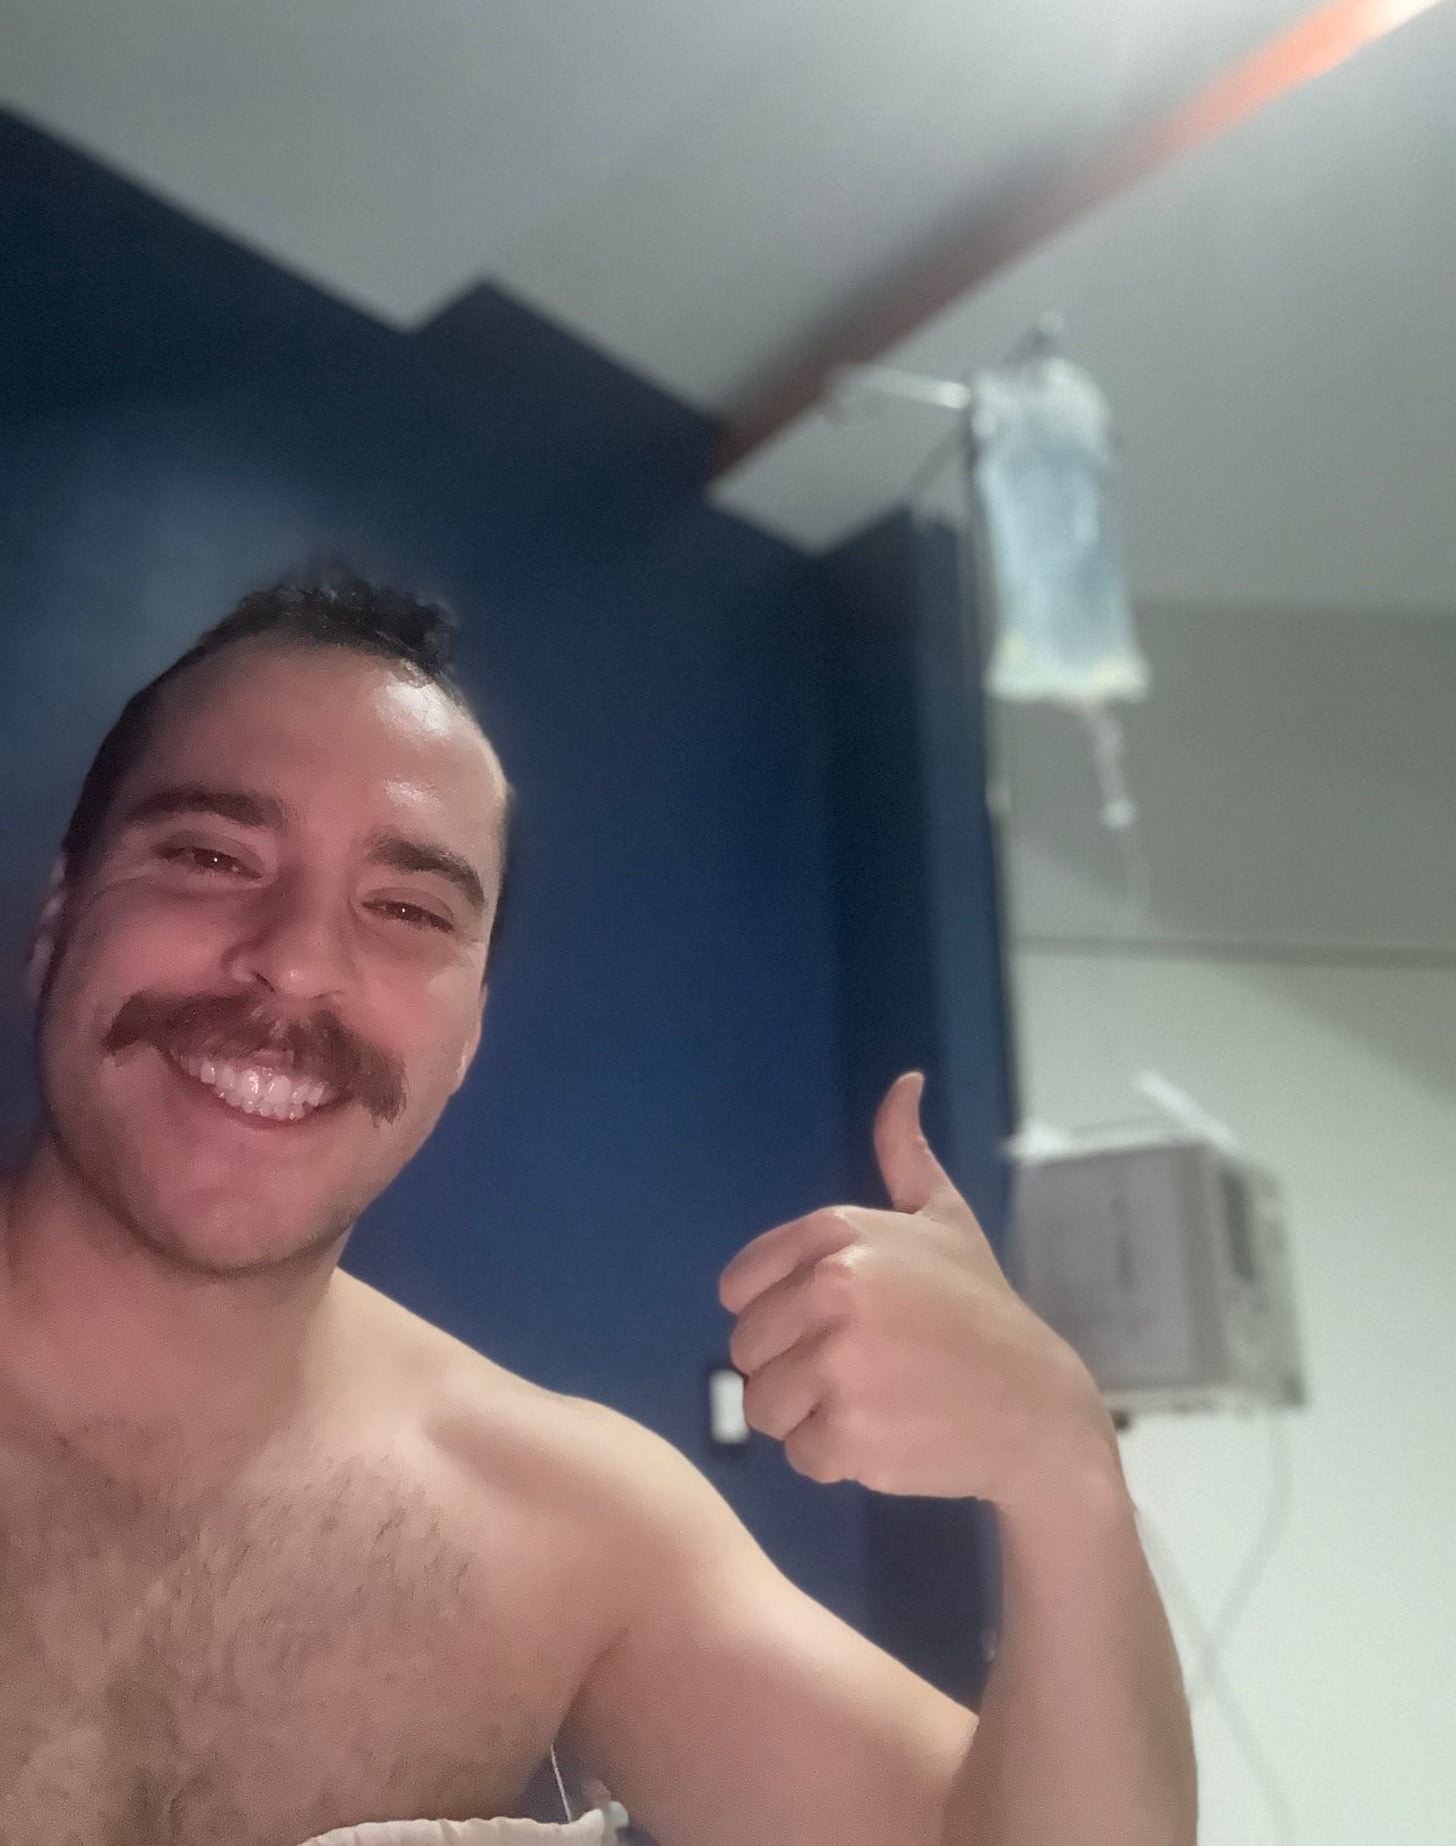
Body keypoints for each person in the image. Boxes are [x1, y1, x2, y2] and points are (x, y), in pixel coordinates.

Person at [0, 565, 1196, 1846]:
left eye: (406, 909)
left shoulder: (571, 1530)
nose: (295, 961)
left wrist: (1064, 1473)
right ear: (59, 920)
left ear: (466, 1038)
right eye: (209, 855)